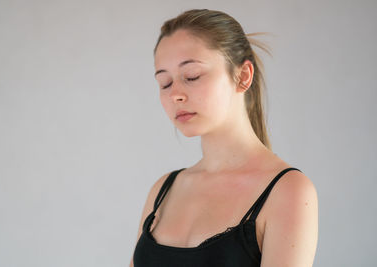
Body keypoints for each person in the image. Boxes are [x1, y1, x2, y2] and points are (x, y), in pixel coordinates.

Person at [129, 8, 318, 267]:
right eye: (165, 83)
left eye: (192, 76)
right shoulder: (163, 190)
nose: (176, 94)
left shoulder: (287, 191)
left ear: (243, 76)